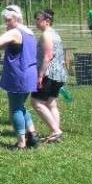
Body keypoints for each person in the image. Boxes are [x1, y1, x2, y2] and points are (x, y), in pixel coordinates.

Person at [0, 4, 39, 149]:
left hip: (18, 75)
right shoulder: (29, 32)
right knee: (21, 105)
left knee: (15, 109)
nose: (6, 23)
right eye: (5, 20)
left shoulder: (15, 32)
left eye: (8, 20)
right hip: (30, 73)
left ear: (16, 18)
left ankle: (21, 143)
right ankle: (33, 135)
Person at [31, 9, 67, 143]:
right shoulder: (55, 33)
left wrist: (40, 76)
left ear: (47, 21)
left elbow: (47, 56)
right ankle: (55, 134)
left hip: (48, 73)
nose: (36, 21)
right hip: (59, 74)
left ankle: (56, 130)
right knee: (51, 103)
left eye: (38, 19)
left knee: (36, 102)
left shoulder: (46, 35)